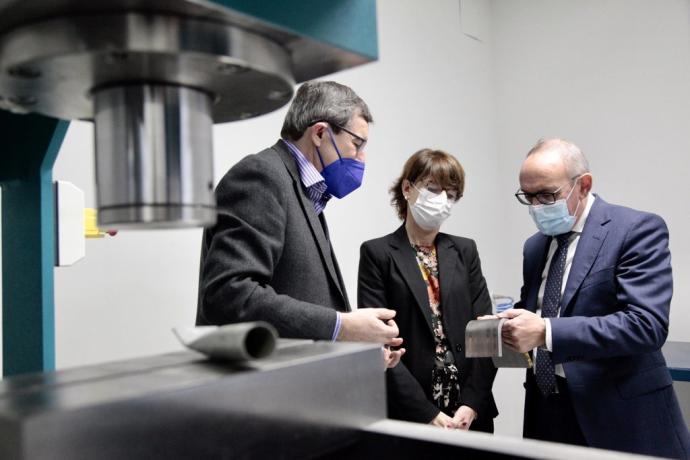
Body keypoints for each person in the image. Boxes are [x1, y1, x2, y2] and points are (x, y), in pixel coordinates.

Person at [501, 138, 690, 457]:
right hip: (548, 411)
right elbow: (540, 309)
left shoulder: (635, 229)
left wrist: (546, 331)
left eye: (547, 195)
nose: (536, 207)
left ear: (583, 185)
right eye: (528, 196)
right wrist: (507, 324)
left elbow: (646, 325)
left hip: (620, 417)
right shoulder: (535, 247)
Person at [196, 81, 403, 365]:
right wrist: (342, 326)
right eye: (357, 144)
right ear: (320, 133)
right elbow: (229, 294)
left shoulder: (307, 195)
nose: (361, 158)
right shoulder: (261, 176)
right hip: (262, 393)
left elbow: (306, 302)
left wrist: (354, 347)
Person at [358, 149, 498, 431]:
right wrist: (425, 412)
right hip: (411, 412)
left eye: (451, 194)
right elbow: (377, 342)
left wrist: (471, 403)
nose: (442, 200)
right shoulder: (378, 253)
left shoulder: (464, 249)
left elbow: (486, 332)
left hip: (470, 413)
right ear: (407, 189)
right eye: (433, 189)